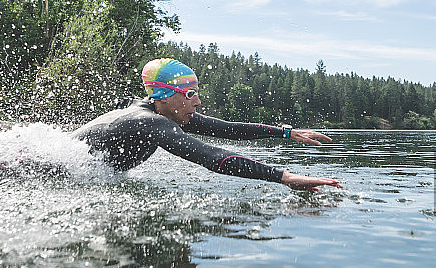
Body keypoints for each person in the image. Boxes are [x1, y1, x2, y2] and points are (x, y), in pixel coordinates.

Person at [73, 58, 342, 191]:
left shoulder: (161, 114)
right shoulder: (150, 123)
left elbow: (227, 129)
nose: (198, 102)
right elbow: (212, 157)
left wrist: (287, 132)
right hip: (48, 170)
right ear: (166, 96)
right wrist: (284, 177)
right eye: (190, 95)